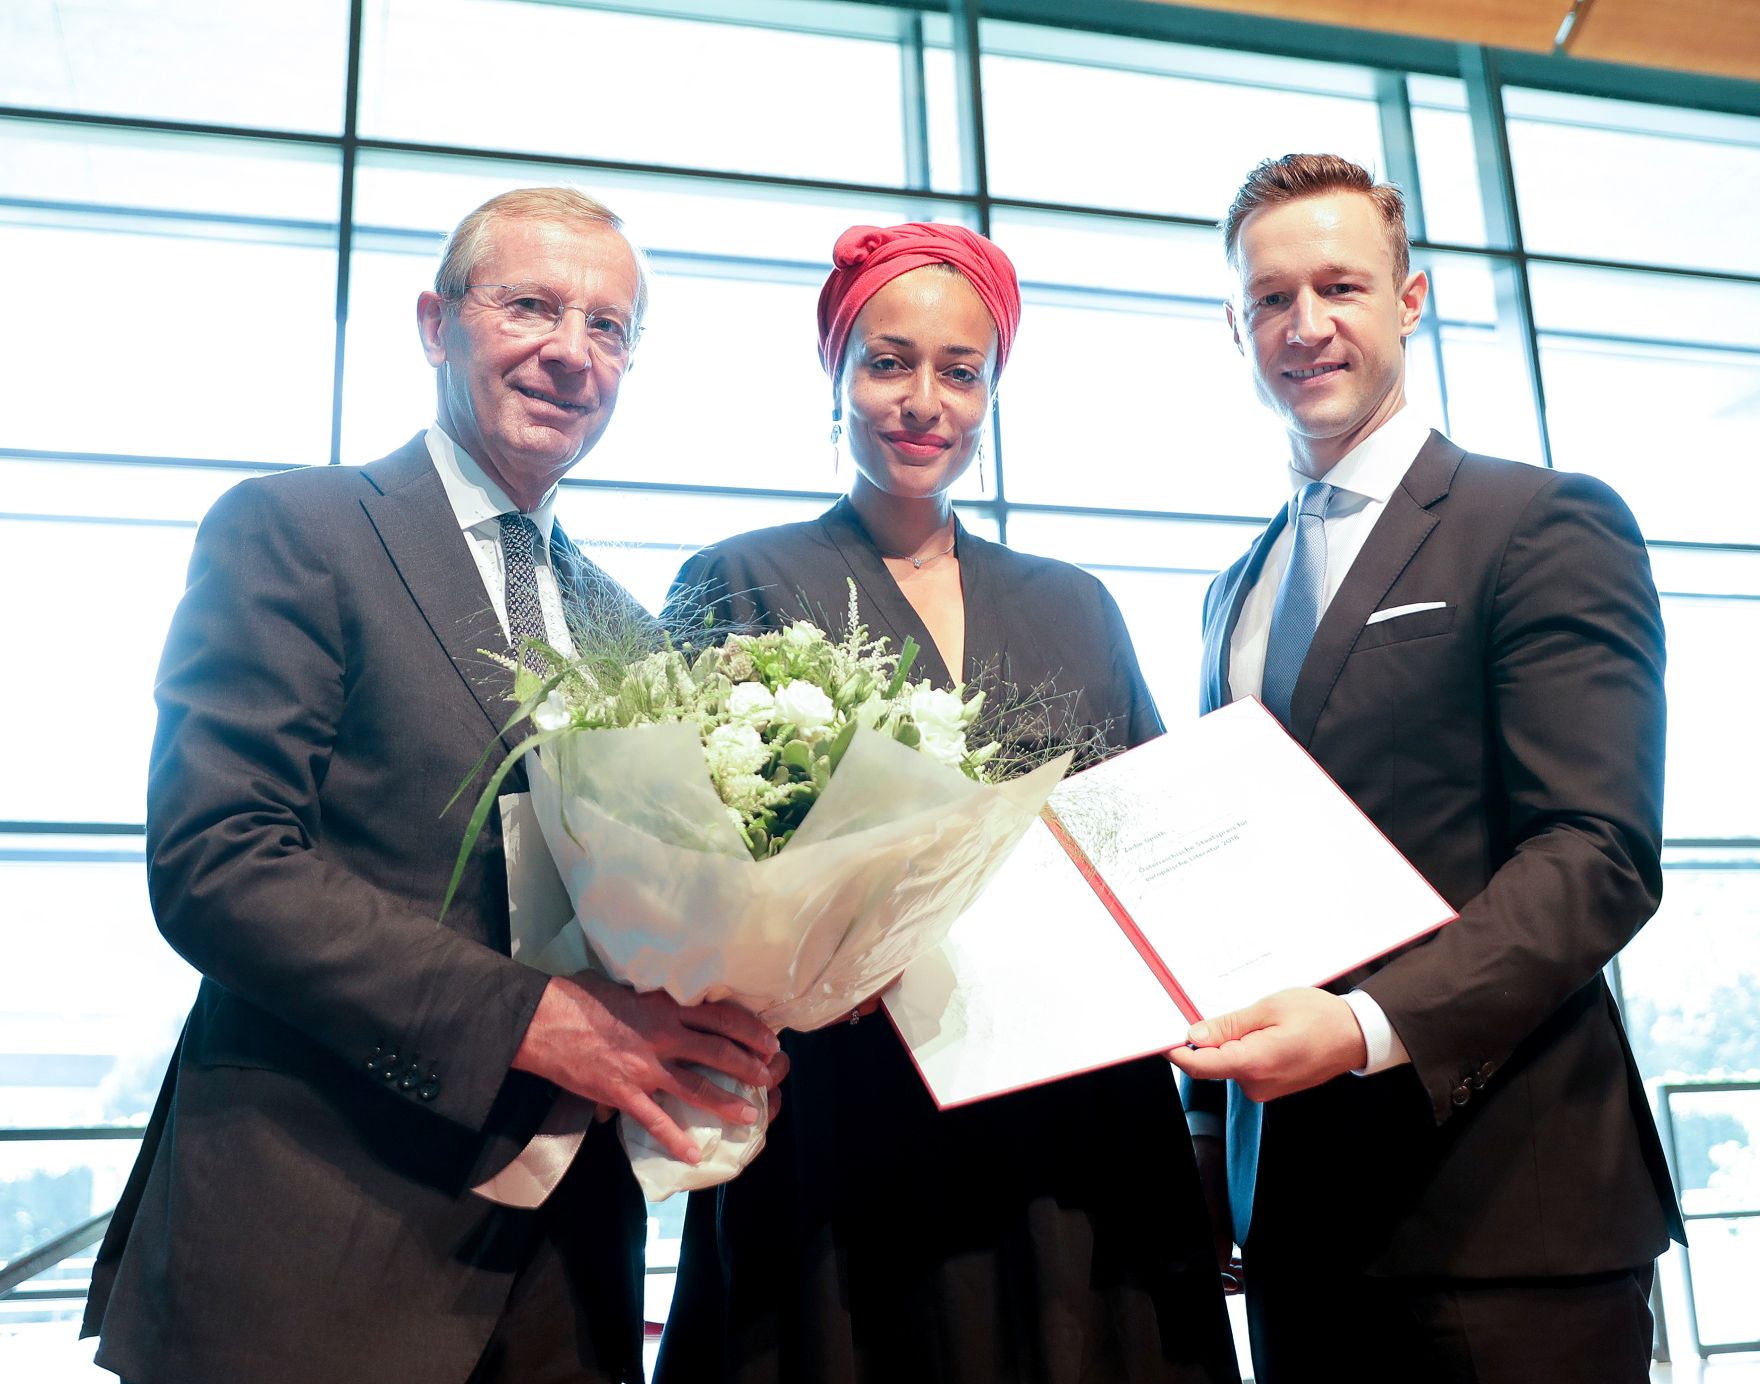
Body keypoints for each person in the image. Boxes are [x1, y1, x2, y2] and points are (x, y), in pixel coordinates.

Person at [81, 187, 784, 1384]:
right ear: (434, 322)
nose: (571, 350)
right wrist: (537, 1021)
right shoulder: (295, 528)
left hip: (564, 1274)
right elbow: (219, 862)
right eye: (531, 305)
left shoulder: (626, 626)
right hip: (313, 1250)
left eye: (609, 327)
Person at [651, 223, 1240, 1384]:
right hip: (843, 1121)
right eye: (887, 362)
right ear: (837, 376)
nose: (922, 401)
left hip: (1073, 1126)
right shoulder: (738, 578)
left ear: (989, 393)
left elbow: (1144, 853)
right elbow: (678, 867)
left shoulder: (1073, 604)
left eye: (959, 372)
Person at [1168, 153, 1686, 1384]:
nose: (1305, 327)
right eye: (1269, 301)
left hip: (1506, 1220)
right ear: (1234, 327)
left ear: (1409, 299)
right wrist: (1202, 1145)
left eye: (1340, 287)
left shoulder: (1540, 522)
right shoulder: (1228, 594)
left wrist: (1361, 1028)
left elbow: (1596, 854)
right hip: (1292, 1233)